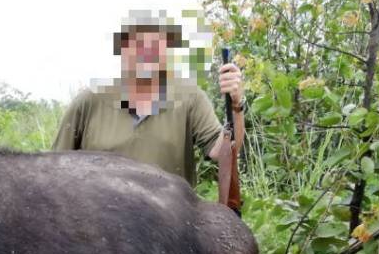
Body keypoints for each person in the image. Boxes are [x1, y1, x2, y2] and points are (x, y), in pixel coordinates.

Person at [53, 12, 245, 187]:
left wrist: (236, 105)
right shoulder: (88, 102)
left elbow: (223, 152)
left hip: (168, 219)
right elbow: (54, 170)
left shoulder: (190, 98)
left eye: (155, 45)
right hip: (98, 220)